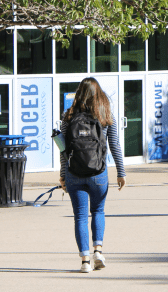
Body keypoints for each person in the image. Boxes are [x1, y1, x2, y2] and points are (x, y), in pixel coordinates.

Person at [59, 77, 127, 273]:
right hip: (99, 173)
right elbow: (114, 144)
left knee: (80, 217)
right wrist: (121, 173)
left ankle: (85, 262)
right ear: (98, 94)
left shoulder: (69, 116)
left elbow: (63, 150)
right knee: (98, 211)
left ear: (79, 93)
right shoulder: (105, 114)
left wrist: (63, 174)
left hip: (74, 173)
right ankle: (98, 250)